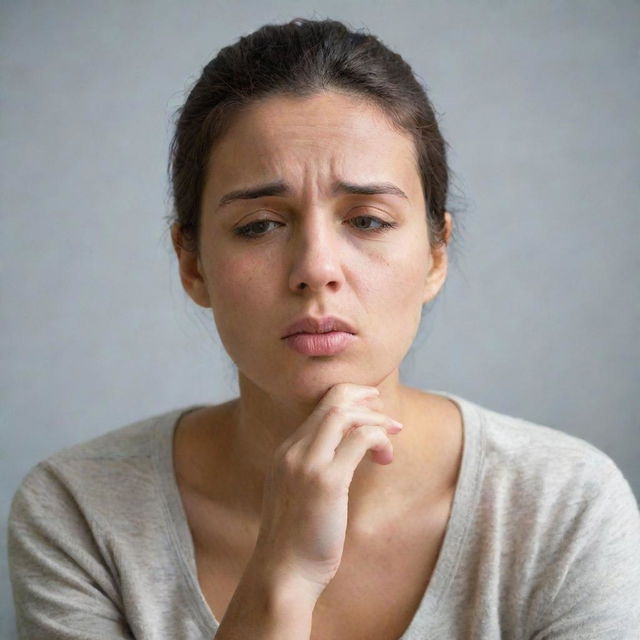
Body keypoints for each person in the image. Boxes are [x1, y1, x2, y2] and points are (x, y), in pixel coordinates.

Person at [7, 17, 640, 640]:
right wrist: (281, 576)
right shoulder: (80, 512)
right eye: (259, 225)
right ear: (192, 262)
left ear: (436, 255)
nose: (316, 270)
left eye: (367, 220)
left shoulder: (563, 506)